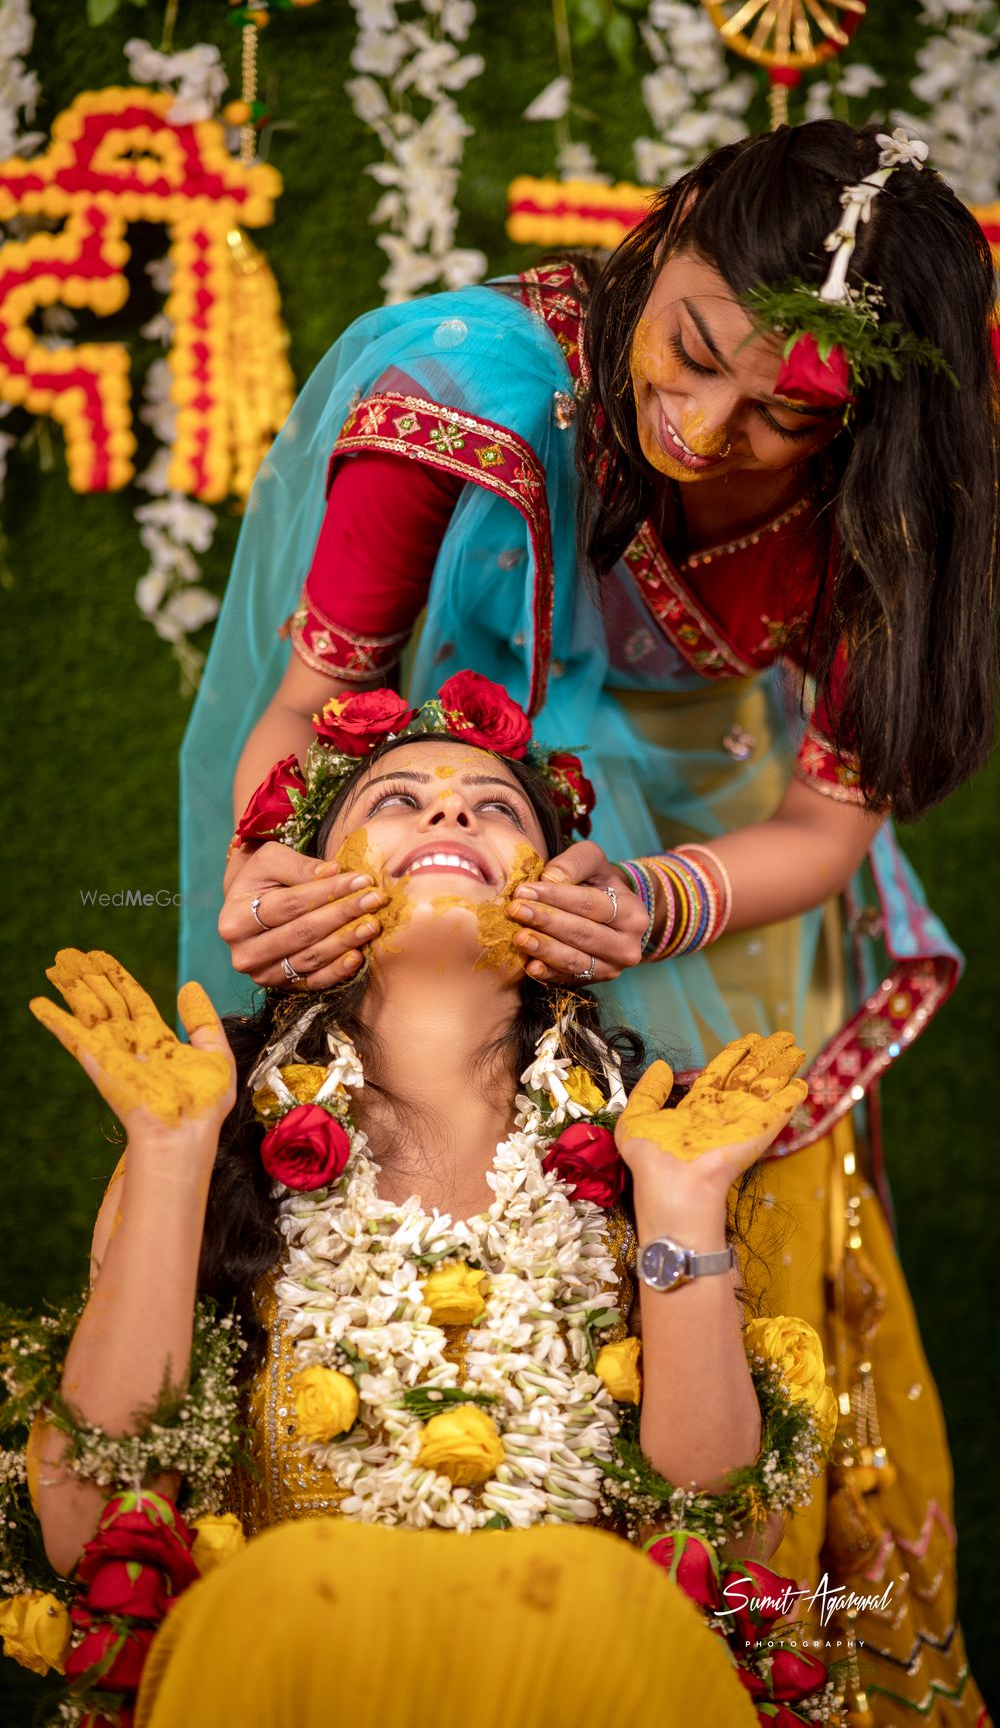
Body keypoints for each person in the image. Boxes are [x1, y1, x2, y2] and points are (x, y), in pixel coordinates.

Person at [186, 122, 994, 1724]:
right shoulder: (463, 398)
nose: (701, 428)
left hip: (709, 861)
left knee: (743, 1252)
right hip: (444, 844)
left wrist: (649, 896)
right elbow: (313, 703)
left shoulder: (886, 497)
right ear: (671, 215)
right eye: (690, 352)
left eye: (786, 418)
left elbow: (829, 822)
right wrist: (271, 859)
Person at [20, 682, 839, 1728]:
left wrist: (679, 1210)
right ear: (309, 887)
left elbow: (724, 1553)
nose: (451, 811)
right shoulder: (209, 1128)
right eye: (396, 800)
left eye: (500, 809)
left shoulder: (645, 1146)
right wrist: (170, 1156)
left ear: (568, 898)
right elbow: (83, 1526)